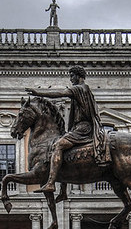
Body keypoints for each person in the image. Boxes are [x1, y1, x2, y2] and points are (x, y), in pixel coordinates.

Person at [25, 65, 103, 193]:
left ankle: (50, 183)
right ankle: (63, 191)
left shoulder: (80, 88)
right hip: (80, 127)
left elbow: (60, 93)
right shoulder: (85, 90)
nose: (70, 78)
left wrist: (38, 92)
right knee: (65, 150)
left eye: (72, 76)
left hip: (83, 128)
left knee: (58, 145)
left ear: (79, 76)